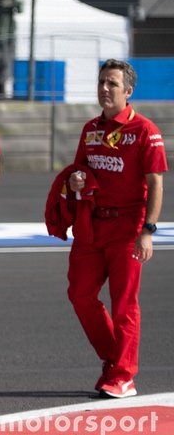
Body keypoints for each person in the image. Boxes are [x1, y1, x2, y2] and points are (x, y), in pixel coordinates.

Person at [65, 59, 166, 399]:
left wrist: (148, 231)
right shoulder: (91, 128)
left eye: (112, 83)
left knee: (124, 304)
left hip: (128, 227)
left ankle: (124, 375)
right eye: (101, 82)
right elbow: (78, 170)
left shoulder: (145, 130)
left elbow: (156, 183)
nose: (105, 89)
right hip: (92, 227)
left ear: (128, 91)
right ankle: (113, 359)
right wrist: (76, 178)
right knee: (79, 294)